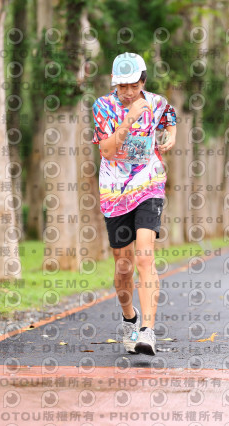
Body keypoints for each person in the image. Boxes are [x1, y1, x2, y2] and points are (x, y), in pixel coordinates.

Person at [92, 52, 177, 356]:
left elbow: (170, 117)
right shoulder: (103, 106)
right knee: (124, 266)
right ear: (113, 83)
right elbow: (106, 150)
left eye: (133, 85)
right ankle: (130, 319)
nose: (127, 92)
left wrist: (171, 136)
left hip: (148, 184)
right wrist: (128, 120)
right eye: (122, 86)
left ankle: (148, 331)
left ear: (143, 81)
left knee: (144, 257)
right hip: (114, 191)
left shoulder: (156, 102)